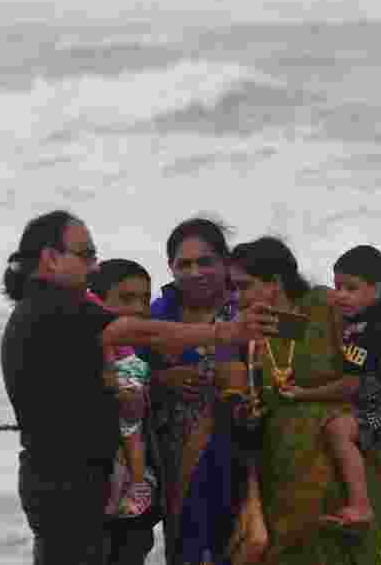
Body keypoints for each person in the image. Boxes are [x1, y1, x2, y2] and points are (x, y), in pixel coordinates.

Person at [0, 210, 275, 565]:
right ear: (51, 259)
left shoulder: (39, 308)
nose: (94, 266)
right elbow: (140, 332)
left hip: (64, 478)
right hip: (68, 483)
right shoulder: (57, 307)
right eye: (86, 255)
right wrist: (226, 332)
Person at [228, 236, 381, 564]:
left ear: (275, 283)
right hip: (285, 469)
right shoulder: (250, 332)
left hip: (346, 465)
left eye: (244, 286)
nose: (236, 296)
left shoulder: (322, 305)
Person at [142, 216, 250, 565]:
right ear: (170, 268)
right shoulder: (156, 316)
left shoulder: (249, 309)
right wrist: (163, 380)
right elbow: (119, 373)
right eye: (183, 264)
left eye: (205, 261)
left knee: (246, 545)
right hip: (178, 463)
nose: (195, 272)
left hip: (245, 456)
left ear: (225, 263)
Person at [312, 244, 381, 528]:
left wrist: (301, 392)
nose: (340, 295)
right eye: (337, 286)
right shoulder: (372, 310)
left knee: (339, 430)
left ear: (376, 290)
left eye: (350, 288)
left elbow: (349, 384)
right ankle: (374, 452)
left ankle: (360, 504)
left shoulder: (372, 333)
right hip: (374, 398)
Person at [87, 259, 163, 564]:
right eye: (126, 299)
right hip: (92, 493)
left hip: (133, 508)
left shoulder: (140, 349)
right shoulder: (88, 347)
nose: (139, 308)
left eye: (144, 299)